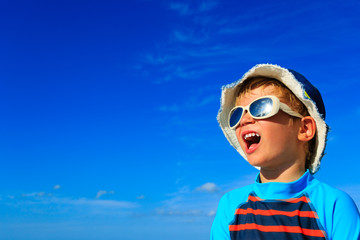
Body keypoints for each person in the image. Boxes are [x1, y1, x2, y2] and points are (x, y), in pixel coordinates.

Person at [211, 64, 360, 240]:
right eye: (236, 114)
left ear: (304, 129)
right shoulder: (230, 205)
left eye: (260, 107)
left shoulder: (334, 205)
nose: (243, 119)